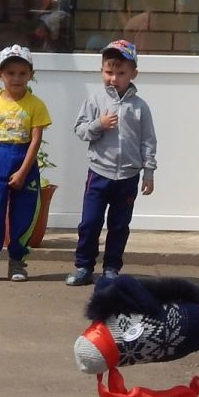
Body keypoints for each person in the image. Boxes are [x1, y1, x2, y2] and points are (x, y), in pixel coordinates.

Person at [63, 39, 157, 285]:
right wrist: (98, 125)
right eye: (108, 72)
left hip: (127, 177)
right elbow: (80, 130)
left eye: (120, 73)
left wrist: (149, 172)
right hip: (99, 173)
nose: (113, 78)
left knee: (119, 225)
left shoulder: (140, 107)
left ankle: (111, 269)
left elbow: (148, 140)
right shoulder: (95, 100)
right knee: (90, 223)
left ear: (133, 73)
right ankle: (83, 267)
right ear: (101, 70)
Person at [0, 45, 50, 283]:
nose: (16, 78)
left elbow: (36, 140)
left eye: (22, 73)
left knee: (23, 213)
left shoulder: (36, 105)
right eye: (10, 73)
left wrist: (24, 171)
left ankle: (17, 261)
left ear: (30, 75)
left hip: (24, 157)